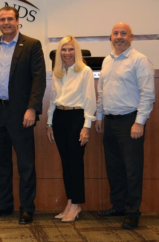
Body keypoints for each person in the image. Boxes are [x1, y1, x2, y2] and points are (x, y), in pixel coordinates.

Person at [0, 6, 46, 224]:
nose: (6, 22)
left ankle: (27, 207)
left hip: (21, 113)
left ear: (18, 21)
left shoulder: (32, 45)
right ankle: (4, 205)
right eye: (2, 19)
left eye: (10, 19)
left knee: (26, 163)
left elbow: (39, 79)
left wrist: (32, 108)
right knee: (0, 162)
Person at [95, 22, 155, 229]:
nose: (119, 36)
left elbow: (148, 94)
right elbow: (102, 91)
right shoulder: (107, 61)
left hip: (130, 121)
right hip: (110, 122)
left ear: (131, 37)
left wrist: (140, 123)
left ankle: (132, 212)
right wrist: (100, 117)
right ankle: (118, 206)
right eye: (115, 33)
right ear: (110, 37)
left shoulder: (139, 60)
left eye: (123, 33)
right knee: (114, 167)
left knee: (132, 169)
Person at [46, 36, 96, 222]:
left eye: (71, 49)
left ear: (77, 51)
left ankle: (77, 204)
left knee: (76, 164)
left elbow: (90, 99)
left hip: (77, 118)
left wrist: (87, 127)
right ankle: (70, 202)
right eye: (64, 50)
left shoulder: (85, 71)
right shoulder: (58, 72)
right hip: (59, 117)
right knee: (66, 164)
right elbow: (52, 98)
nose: (67, 53)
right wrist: (49, 123)